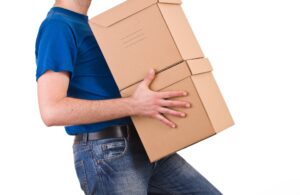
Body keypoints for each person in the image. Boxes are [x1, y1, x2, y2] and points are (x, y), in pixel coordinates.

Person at [35, 0, 223, 194]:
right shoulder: (57, 26)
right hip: (109, 151)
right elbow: (52, 111)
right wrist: (134, 105)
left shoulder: (93, 26)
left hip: (148, 143)